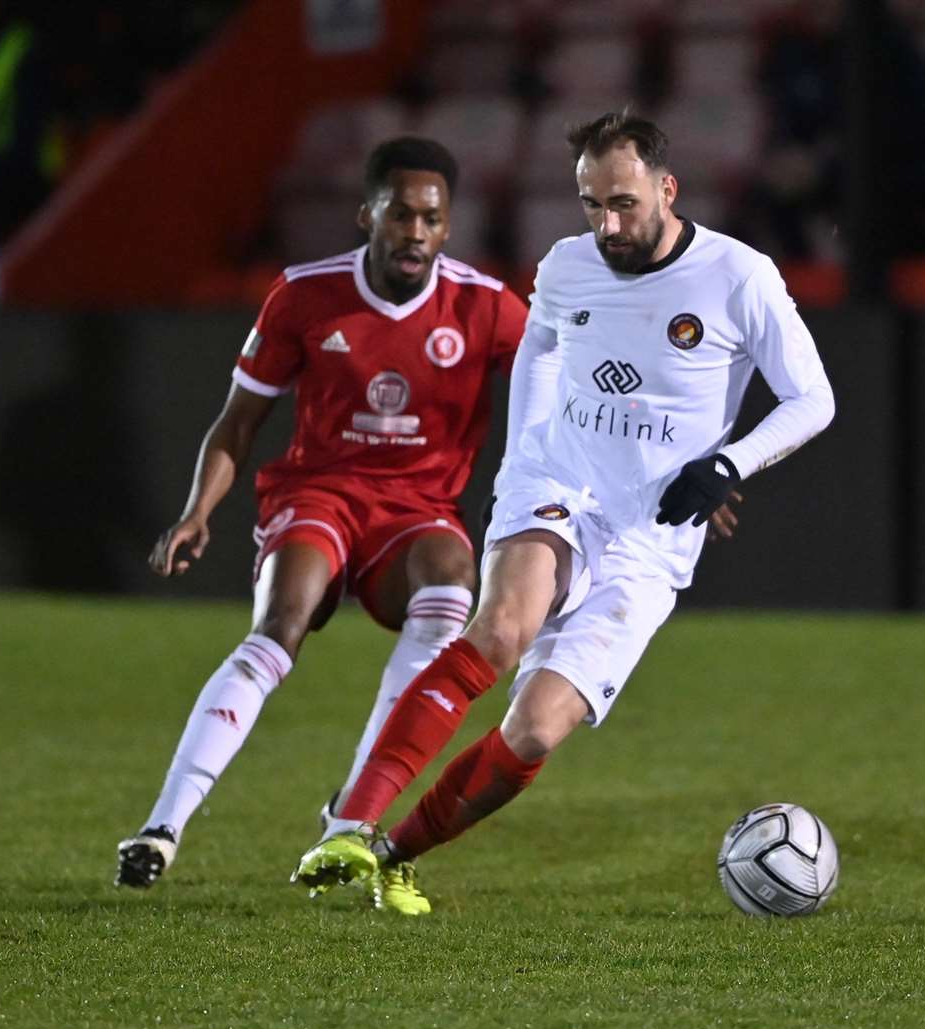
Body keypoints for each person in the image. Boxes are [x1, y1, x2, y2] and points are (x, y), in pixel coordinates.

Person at [292, 109, 836, 914]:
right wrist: (523, 460)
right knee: (501, 629)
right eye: (590, 204)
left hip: (652, 539)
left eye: (622, 203)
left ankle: (394, 854)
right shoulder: (567, 266)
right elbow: (540, 354)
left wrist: (727, 464)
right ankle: (351, 820)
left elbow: (813, 398)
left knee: (536, 730)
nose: (607, 224)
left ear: (666, 187)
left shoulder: (739, 277)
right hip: (561, 489)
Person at [114, 137, 528, 911]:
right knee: (281, 622)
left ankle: (353, 815)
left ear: (448, 226)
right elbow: (238, 423)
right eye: (400, 214)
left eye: (431, 219)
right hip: (320, 496)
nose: (415, 232)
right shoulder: (305, 294)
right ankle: (161, 829)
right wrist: (197, 512)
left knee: (452, 587)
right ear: (367, 213)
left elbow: (566, 387)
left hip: (418, 513)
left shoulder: (486, 306)